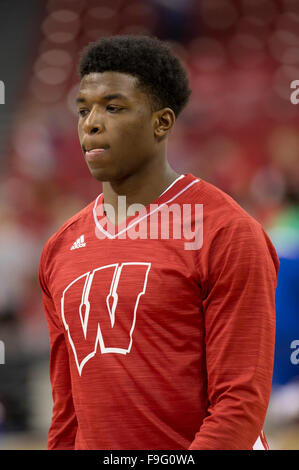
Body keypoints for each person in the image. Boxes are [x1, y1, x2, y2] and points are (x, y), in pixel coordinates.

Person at [38, 35, 279, 450]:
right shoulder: (60, 248)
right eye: (83, 110)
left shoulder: (226, 232)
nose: (91, 122)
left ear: (161, 122)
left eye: (113, 107)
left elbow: (240, 401)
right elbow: (66, 415)